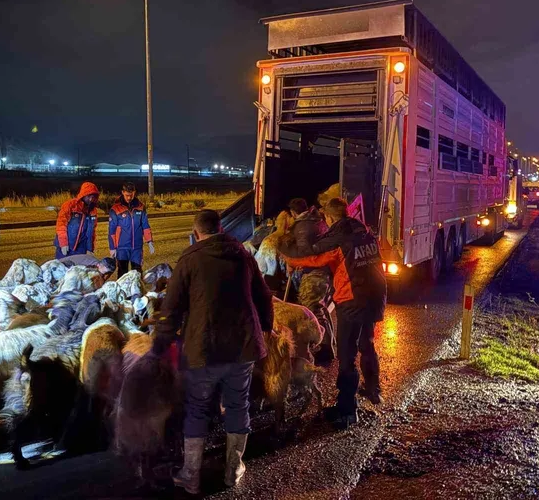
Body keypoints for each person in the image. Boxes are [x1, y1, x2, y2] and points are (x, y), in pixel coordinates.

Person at [153, 209, 274, 494]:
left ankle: (191, 475)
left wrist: (159, 346)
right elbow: (264, 295)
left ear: (196, 233)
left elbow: (171, 308)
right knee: (238, 404)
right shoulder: (243, 254)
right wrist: (266, 328)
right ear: (221, 229)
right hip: (242, 346)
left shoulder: (189, 259)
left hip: (204, 348)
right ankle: (233, 468)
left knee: (197, 408)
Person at [280, 197, 386, 429]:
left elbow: (313, 257)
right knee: (367, 343)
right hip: (375, 295)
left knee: (346, 355)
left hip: (352, 299)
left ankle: (347, 411)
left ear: (328, 218)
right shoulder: (365, 233)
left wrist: (288, 256)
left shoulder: (338, 240)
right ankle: (373, 388)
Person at [285, 198, 335, 363]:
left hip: (315, 272)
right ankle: (329, 345)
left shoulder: (302, 227)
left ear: (293, 213)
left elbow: (303, 252)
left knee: (312, 308)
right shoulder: (317, 220)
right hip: (323, 270)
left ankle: (324, 350)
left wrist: (291, 260)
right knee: (320, 308)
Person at [108, 182, 154, 278]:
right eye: (127, 195)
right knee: (122, 273)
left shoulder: (141, 207)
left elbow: (145, 225)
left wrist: (149, 241)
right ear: (122, 192)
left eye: (131, 195)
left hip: (137, 247)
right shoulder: (115, 209)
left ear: (134, 192)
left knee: (137, 273)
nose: (129, 198)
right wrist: (112, 247)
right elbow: (112, 230)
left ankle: (137, 288)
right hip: (122, 247)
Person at [54, 182, 100, 259]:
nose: (91, 199)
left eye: (93, 197)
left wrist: (90, 249)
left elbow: (91, 232)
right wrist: (63, 243)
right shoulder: (70, 205)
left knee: (80, 266)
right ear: (83, 194)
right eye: (88, 196)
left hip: (81, 249)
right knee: (63, 265)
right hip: (66, 247)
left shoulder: (93, 211)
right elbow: (61, 225)